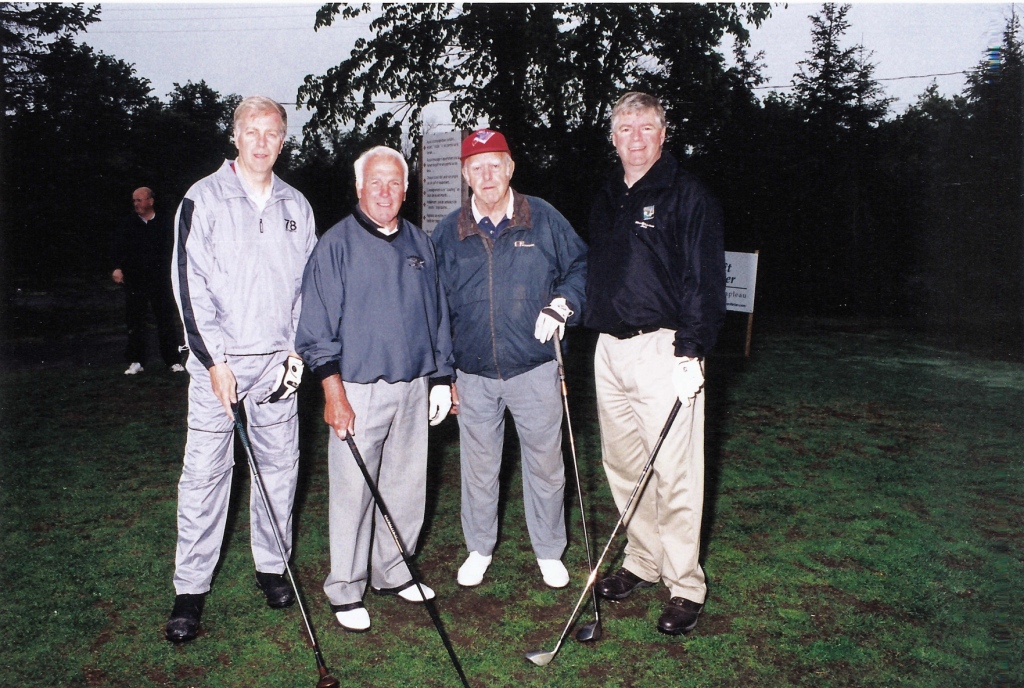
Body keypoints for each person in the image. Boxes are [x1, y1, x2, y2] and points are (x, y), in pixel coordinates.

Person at [164, 96, 317, 643]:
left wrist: (298, 355)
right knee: (205, 476)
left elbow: (307, 291)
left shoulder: (298, 205)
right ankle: (190, 589)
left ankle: (273, 568)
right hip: (218, 370)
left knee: (279, 468)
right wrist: (214, 361)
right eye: (251, 131)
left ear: (282, 140)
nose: (261, 141)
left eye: (271, 133)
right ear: (235, 136)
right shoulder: (200, 199)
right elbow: (189, 287)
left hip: (277, 367)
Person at [295, 146, 454, 633]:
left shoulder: (420, 244)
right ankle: (345, 587)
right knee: (353, 493)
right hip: (357, 390)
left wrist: (443, 377)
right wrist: (333, 394)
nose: (385, 192)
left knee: (407, 487)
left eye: (394, 183)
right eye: (375, 182)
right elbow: (317, 328)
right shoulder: (335, 245)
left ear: (406, 190)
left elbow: (438, 315)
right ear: (360, 187)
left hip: (413, 386)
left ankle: (394, 571)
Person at [585, 92, 726, 636]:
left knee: (675, 474)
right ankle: (643, 561)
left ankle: (684, 583)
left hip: (665, 349)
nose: (636, 137)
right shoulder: (606, 196)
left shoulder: (687, 195)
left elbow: (703, 280)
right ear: (613, 137)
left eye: (647, 127)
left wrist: (692, 349)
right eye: (626, 128)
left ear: (663, 134)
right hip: (609, 348)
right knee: (624, 468)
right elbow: (594, 268)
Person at [432, 129, 588, 590]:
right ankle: (479, 548)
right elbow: (435, 306)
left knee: (546, 465)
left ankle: (549, 550)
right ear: (465, 174)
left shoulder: (542, 217)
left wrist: (565, 303)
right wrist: (442, 375)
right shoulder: (448, 231)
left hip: (536, 367)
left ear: (510, 168)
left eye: (495, 165)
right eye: (477, 167)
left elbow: (581, 265)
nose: (487, 175)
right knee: (478, 469)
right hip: (474, 373)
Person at [110, 187, 184, 374]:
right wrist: (118, 267)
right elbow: (118, 247)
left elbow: (176, 248)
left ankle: (173, 361)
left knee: (166, 320)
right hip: (136, 279)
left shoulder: (166, 223)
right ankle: (136, 361)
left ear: (150, 201)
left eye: (139, 200)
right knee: (135, 321)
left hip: (161, 280)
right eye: (134, 201)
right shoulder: (128, 224)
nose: (136, 204)